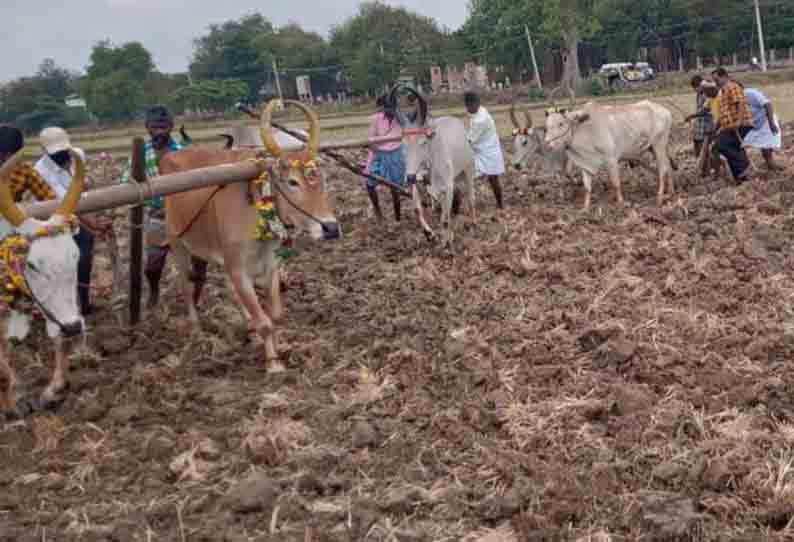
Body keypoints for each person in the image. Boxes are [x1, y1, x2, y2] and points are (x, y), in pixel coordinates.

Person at [120, 105, 208, 308]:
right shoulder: (140, 154)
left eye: (163, 126)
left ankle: (195, 299)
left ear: (171, 127)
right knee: (152, 266)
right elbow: (126, 182)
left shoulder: (183, 152)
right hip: (158, 216)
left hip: (188, 216)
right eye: (154, 127)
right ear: (147, 128)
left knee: (199, 262)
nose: (159, 131)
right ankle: (154, 290)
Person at [34, 127, 111, 315]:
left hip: (79, 211)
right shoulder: (41, 171)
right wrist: (93, 224)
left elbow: (82, 186)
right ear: (45, 151)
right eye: (56, 153)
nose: (62, 155)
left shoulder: (78, 155)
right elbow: (67, 203)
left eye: (64, 150)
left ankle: (83, 303)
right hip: (56, 218)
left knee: (84, 257)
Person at [365, 95, 406, 222]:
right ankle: (378, 211)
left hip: (396, 155)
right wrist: (368, 165)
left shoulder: (400, 118)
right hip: (380, 155)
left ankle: (397, 218)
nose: (388, 110)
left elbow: (408, 128)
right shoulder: (375, 119)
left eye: (391, 107)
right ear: (382, 108)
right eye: (386, 107)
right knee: (369, 184)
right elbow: (372, 143)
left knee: (395, 189)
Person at [712, 68, 754, 184]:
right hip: (730, 127)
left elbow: (740, 103)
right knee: (728, 147)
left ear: (724, 76)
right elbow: (723, 114)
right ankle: (740, 178)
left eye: (717, 80)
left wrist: (739, 121)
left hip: (740, 125)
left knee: (722, 144)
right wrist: (716, 129)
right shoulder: (723, 92)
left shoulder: (732, 86)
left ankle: (744, 167)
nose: (716, 83)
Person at [464, 91, 504, 209]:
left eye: (469, 106)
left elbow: (469, 141)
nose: (467, 109)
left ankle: (500, 204)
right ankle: (472, 203)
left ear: (475, 103)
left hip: (489, 151)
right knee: (471, 176)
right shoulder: (479, 110)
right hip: (481, 148)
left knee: (493, 178)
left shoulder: (480, 119)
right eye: (466, 106)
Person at [742, 86, 783, 170]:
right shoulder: (733, 98)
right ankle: (771, 164)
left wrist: (771, 123)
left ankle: (772, 165)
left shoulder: (750, 93)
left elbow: (768, 105)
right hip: (754, 124)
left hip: (766, 121)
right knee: (763, 146)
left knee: (766, 146)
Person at [685, 75, 714, 159]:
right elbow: (699, 109)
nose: (695, 89)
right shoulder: (698, 94)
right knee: (697, 145)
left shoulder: (708, 93)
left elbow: (706, 110)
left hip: (707, 125)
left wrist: (692, 116)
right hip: (699, 125)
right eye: (694, 88)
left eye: (696, 87)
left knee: (705, 148)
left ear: (701, 85)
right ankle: (701, 164)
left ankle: (707, 164)